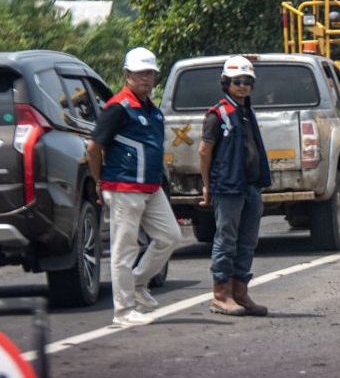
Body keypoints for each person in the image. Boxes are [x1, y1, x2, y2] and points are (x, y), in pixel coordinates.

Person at [88, 47, 183, 327]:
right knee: (124, 248)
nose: (145, 78)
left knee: (170, 236)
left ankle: (138, 282)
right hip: (124, 186)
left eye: (149, 73)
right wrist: (98, 181)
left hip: (151, 187)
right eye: (140, 73)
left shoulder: (151, 110)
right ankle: (123, 310)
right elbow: (94, 147)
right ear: (127, 75)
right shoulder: (118, 107)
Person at [199, 56, 271, 317]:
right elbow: (204, 151)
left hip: (250, 186)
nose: (242, 86)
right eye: (237, 81)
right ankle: (221, 294)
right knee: (226, 239)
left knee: (248, 241)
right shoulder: (217, 114)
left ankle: (240, 292)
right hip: (227, 186)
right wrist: (207, 185)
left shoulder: (246, 112)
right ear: (226, 83)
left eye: (247, 82)